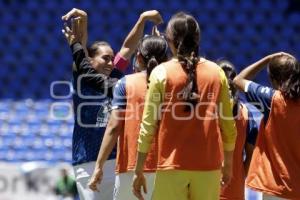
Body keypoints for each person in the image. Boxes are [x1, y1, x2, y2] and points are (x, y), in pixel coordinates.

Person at [132, 12, 237, 200]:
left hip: (171, 167)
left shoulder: (160, 72)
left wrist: (138, 170)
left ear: (169, 40)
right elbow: (228, 126)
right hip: (209, 166)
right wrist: (228, 164)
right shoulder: (217, 72)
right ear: (198, 39)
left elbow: (148, 126)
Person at [88, 34, 168, 200]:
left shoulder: (125, 83)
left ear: (138, 57)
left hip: (130, 168)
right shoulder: (176, 83)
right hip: (168, 168)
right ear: (166, 58)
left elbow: (114, 127)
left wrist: (99, 166)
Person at [62, 8, 129, 200]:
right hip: (88, 162)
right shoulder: (83, 79)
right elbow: (80, 54)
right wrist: (83, 24)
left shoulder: (115, 79)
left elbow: (127, 49)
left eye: (112, 58)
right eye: (105, 58)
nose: (111, 62)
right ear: (90, 61)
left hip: (117, 161)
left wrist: (142, 20)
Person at [233, 53, 300, 200]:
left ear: (273, 80)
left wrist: (267, 59)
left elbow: (238, 80)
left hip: (276, 188)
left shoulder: (272, 100)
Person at [217, 60, 258, 200]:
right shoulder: (247, 113)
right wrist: (240, 175)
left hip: (204, 186)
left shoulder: (204, 112)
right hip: (235, 189)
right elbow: (251, 154)